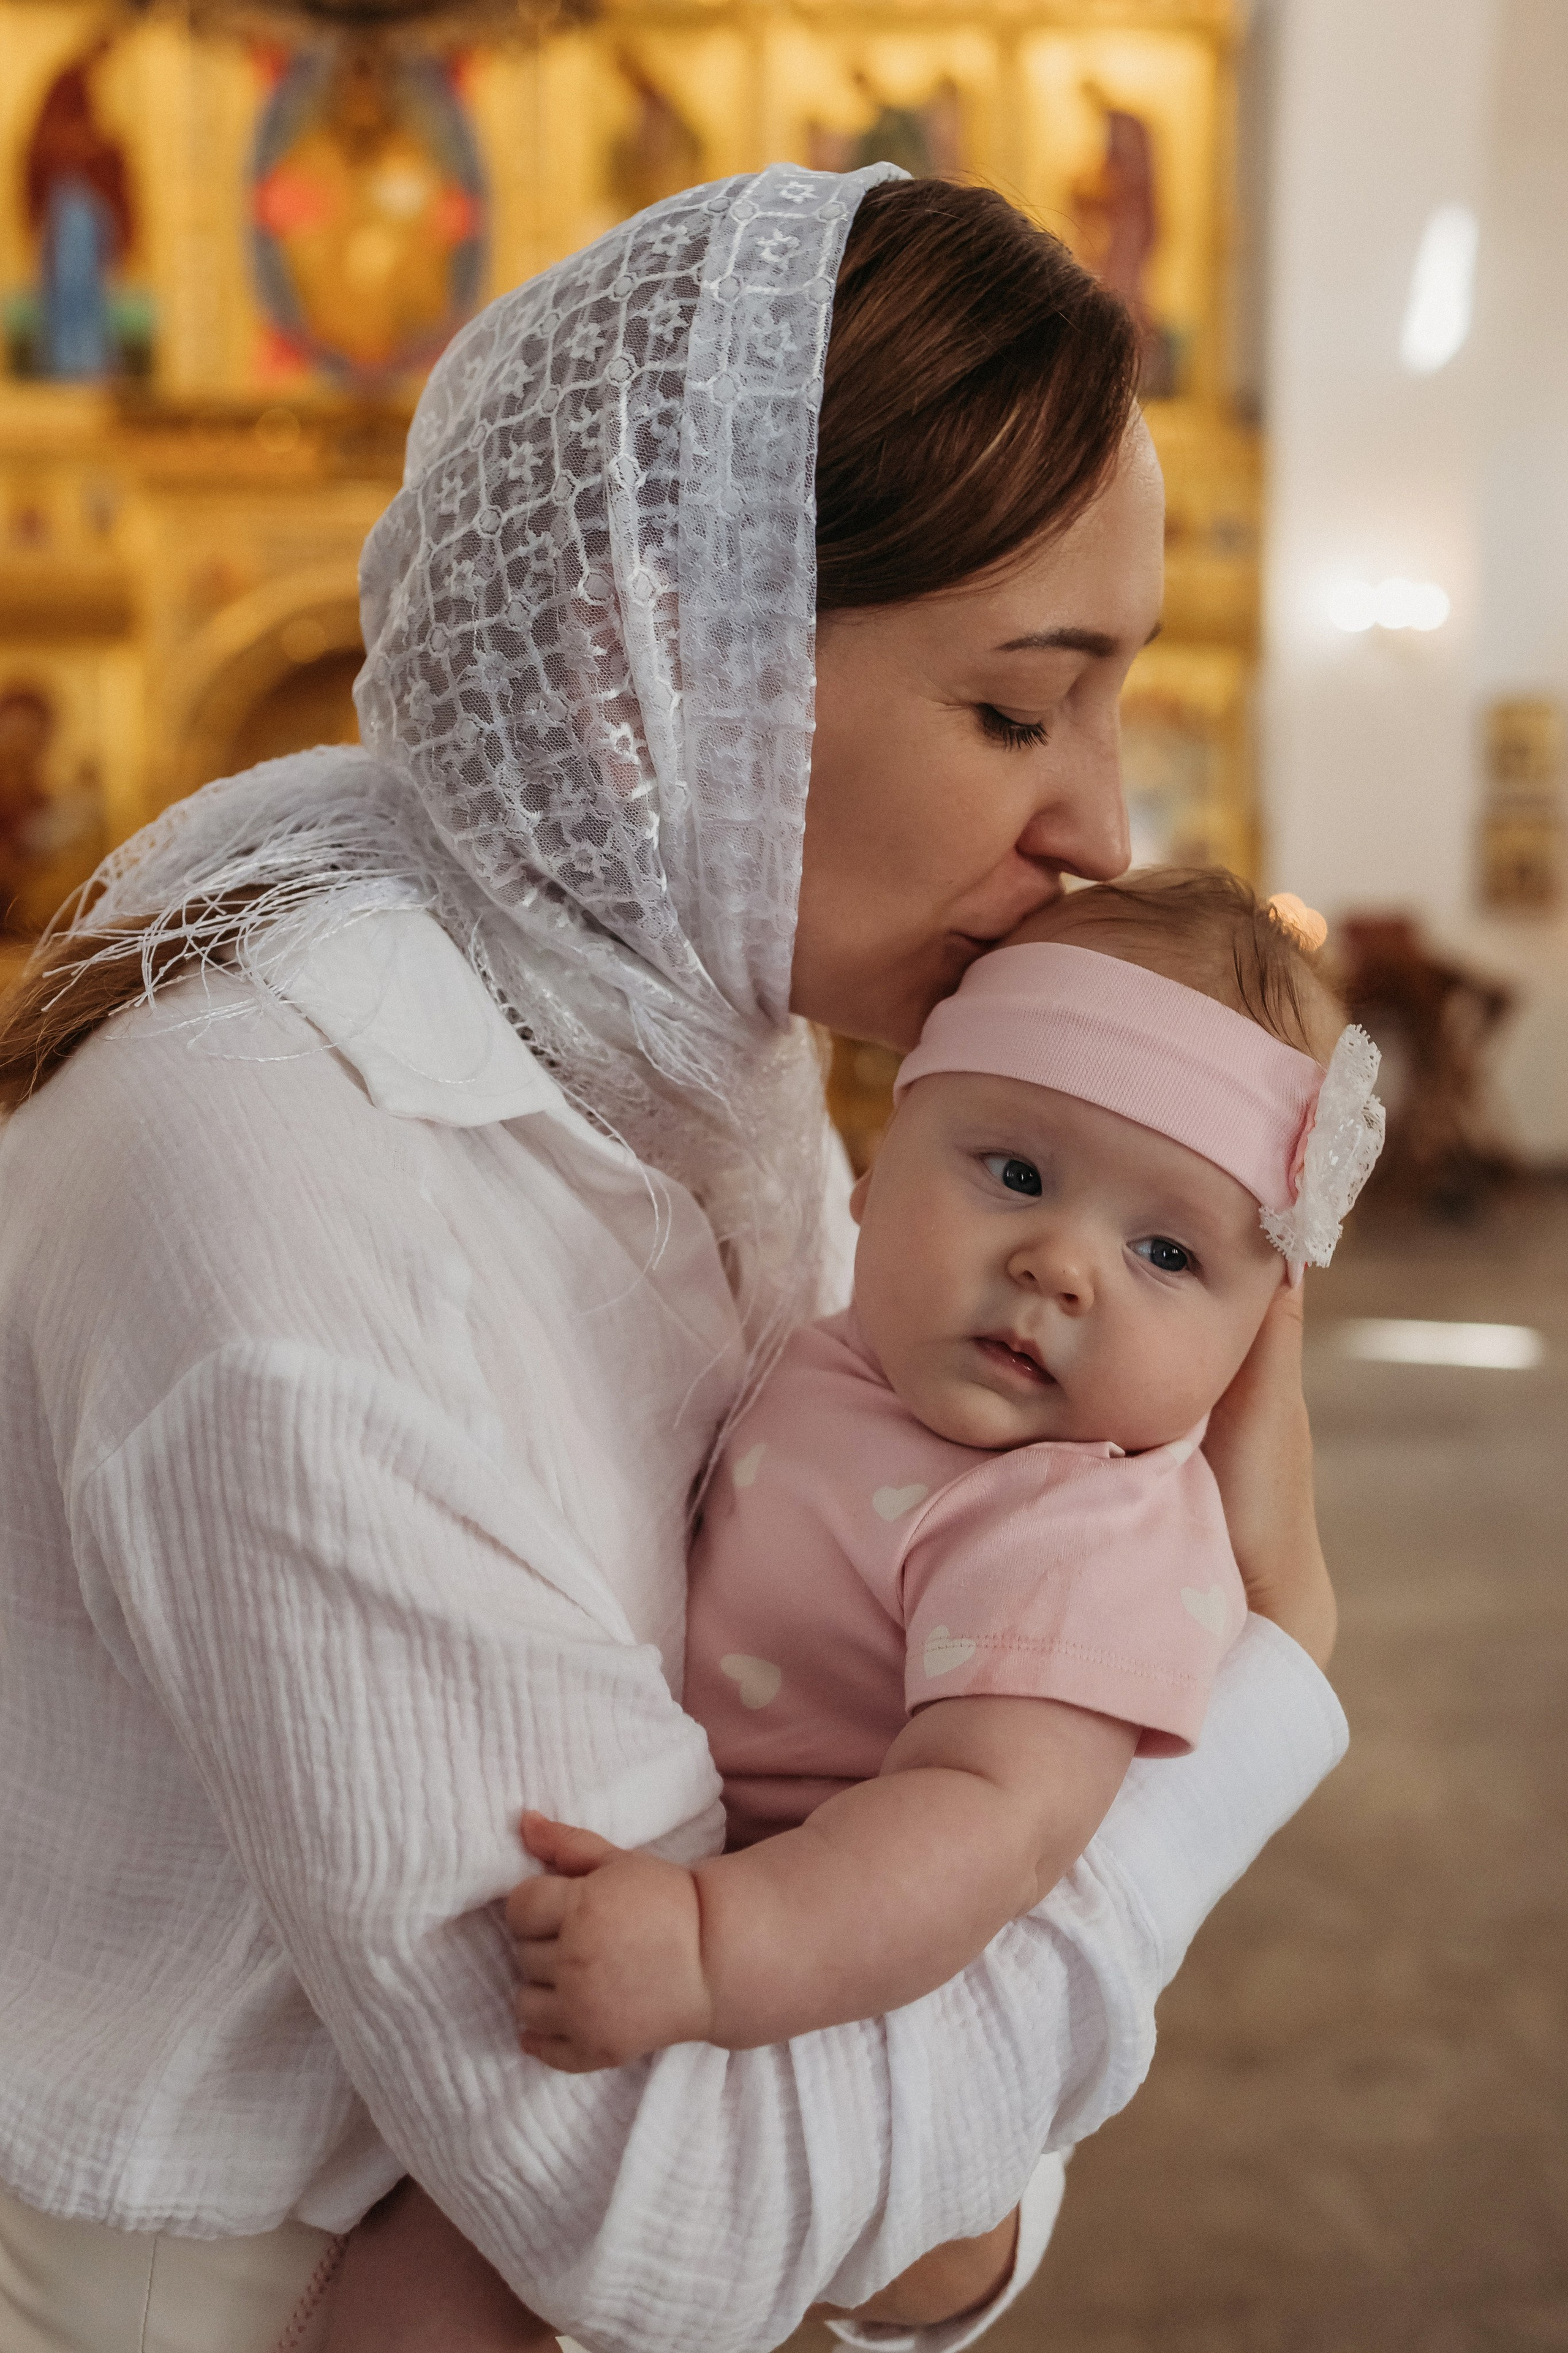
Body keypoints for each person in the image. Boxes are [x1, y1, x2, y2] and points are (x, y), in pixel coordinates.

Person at [0, 167, 1346, 2353]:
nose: (1101, 826)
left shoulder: (693, 1063)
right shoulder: (279, 1175)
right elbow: (677, 2219)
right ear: (661, 659)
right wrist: (1245, 1716)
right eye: (1021, 708)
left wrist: (944, 2208)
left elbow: (871, 2211)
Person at [508, 871, 1381, 2075]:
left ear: (1251, 1349)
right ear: (872, 1169)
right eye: (1015, 1173)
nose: (1058, 1265)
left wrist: (711, 1947)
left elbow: (988, 1821)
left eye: (1165, 1250)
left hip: (822, 1967)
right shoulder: (852, 1355)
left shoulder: (1077, 1526)